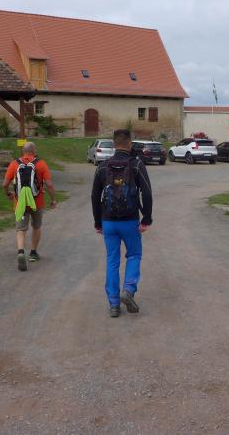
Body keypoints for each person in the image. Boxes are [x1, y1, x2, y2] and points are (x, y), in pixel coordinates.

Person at [91, 129, 153, 318]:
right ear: (130, 144)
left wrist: (98, 222)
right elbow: (147, 193)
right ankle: (128, 290)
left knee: (112, 260)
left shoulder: (103, 166)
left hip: (109, 221)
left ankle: (114, 305)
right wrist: (146, 219)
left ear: (114, 144)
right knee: (134, 255)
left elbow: (95, 196)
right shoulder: (136, 165)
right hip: (130, 221)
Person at [2, 141, 57, 272]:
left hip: (20, 202)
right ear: (34, 151)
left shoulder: (14, 164)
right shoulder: (41, 164)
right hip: (37, 202)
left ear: (23, 151)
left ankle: (21, 251)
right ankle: (33, 253)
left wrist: (8, 194)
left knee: (21, 229)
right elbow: (49, 184)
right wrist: (53, 199)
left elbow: (5, 184)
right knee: (36, 226)